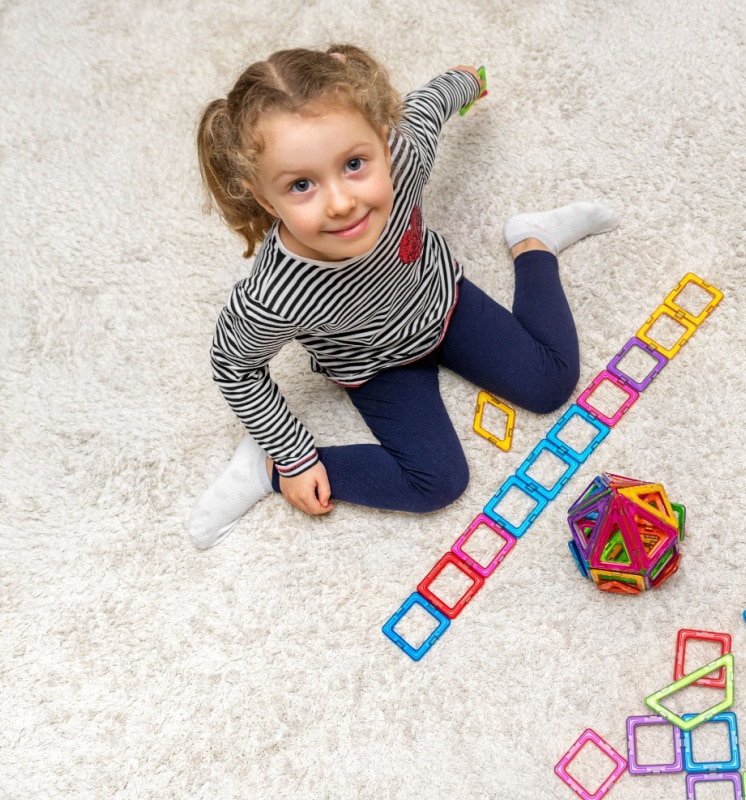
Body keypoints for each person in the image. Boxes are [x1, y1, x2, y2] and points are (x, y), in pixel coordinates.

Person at [190, 44, 616, 549]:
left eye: (354, 163)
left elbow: (429, 107)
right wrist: (292, 456)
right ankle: (260, 470)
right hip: (374, 365)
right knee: (437, 483)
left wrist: (465, 80)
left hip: (443, 303)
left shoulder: (403, 157)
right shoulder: (273, 295)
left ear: (382, 142)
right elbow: (233, 366)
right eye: (302, 184)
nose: (342, 202)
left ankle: (533, 241)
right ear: (265, 199)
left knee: (551, 383)